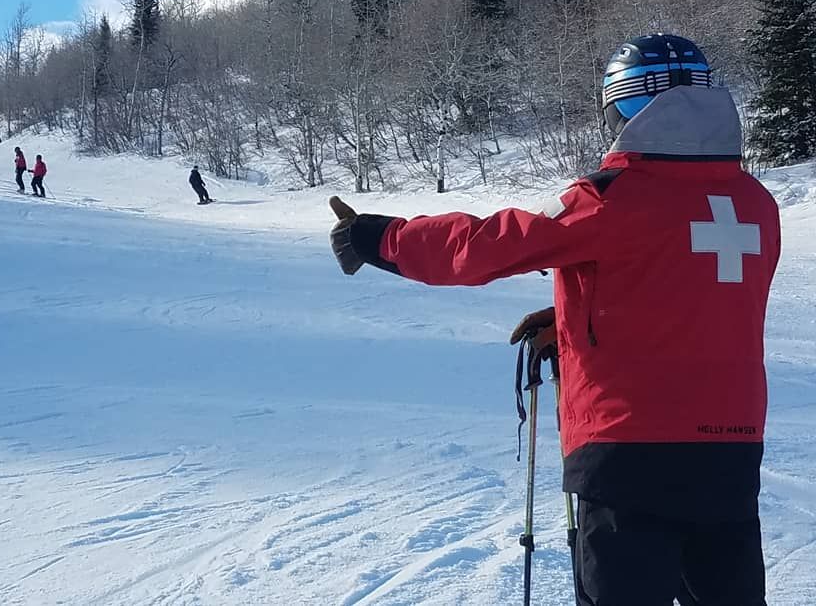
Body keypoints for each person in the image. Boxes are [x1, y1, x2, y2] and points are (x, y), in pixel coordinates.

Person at [327, 34, 779, 606]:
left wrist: (379, 237)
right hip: (730, 455)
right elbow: (686, 298)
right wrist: (570, 319)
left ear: (625, 106)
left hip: (626, 454)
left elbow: (488, 245)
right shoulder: (755, 204)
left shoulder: (608, 198)